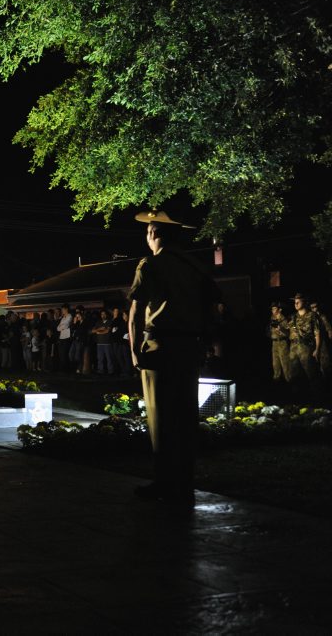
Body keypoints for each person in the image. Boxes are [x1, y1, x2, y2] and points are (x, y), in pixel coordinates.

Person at [128, 210, 220, 504]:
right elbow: (212, 308)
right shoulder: (196, 267)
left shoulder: (151, 264)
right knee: (185, 414)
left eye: (148, 232)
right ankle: (185, 479)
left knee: (161, 416)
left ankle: (165, 480)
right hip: (189, 346)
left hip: (159, 347)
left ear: (154, 233)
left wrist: (133, 351)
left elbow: (135, 310)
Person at [288, 293, 321, 394]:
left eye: (298, 301)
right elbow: (288, 331)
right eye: (295, 301)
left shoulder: (312, 315)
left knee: (311, 373)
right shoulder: (293, 317)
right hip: (293, 347)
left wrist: (317, 349)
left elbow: (317, 333)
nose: (296, 303)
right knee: (294, 374)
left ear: (304, 302)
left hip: (306, 347)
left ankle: (317, 397)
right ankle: (297, 398)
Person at [269, 302, 291, 383]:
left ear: (280, 310)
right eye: (272, 309)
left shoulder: (284, 319)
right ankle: (276, 380)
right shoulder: (272, 318)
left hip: (282, 343)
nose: (272, 311)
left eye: (274, 309)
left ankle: (289, 380)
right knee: (275, 363)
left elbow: (288, 333)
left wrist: (281, 329)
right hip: (274, 343)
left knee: (285, 363)